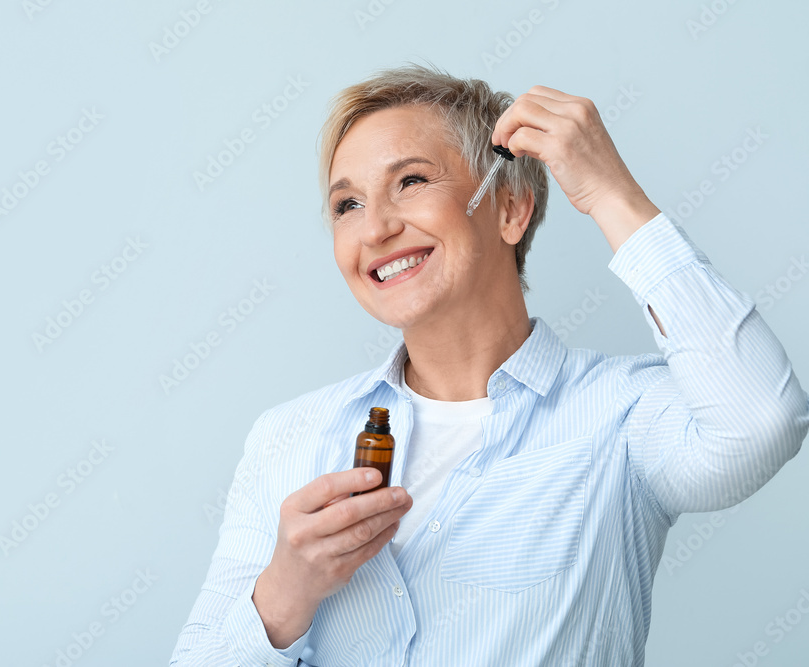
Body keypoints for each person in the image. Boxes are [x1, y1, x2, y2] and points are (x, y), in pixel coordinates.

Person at [169, 63, 809, 665]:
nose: (375, 229)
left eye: (412, 181)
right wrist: (285, 594)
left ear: (509, 207)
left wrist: (610, 192)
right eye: (347, 205)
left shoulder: (621, 419)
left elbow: (762, 422)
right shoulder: (288, 439)